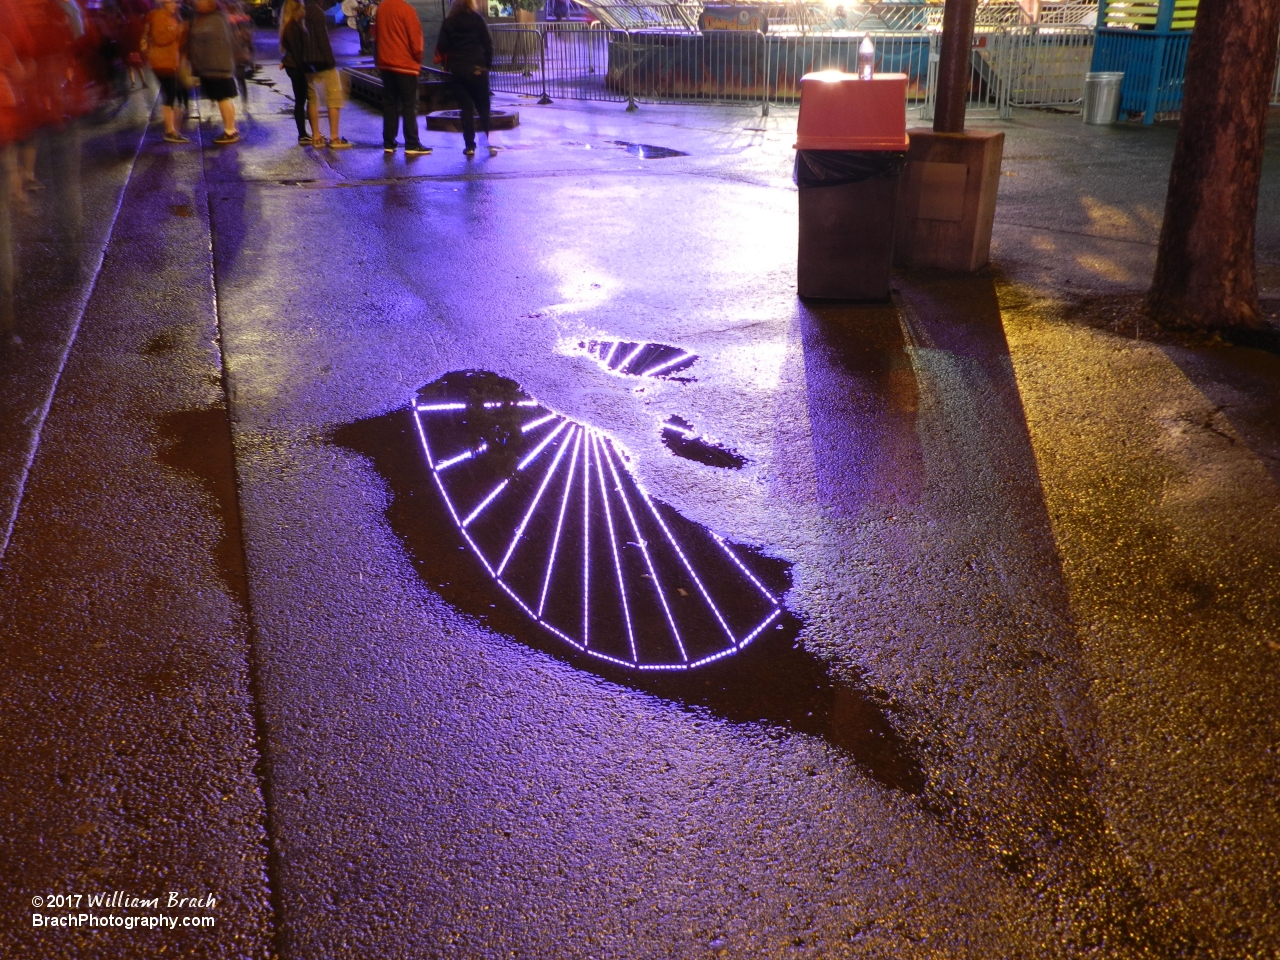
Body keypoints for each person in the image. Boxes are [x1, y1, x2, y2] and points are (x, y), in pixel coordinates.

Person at [434, 0, 495, 158]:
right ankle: (487, 143)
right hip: (477, 68)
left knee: (466, 109)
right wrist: (487, 64)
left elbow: (442, 45)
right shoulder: (478, 19)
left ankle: (469, 146)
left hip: (458, 69)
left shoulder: (449, 22)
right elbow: (488, 44)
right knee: (483, 107)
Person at [373, 0, 428, 155]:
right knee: (409, 105)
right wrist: (418, 58)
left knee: (390, 104)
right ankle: (412, 143)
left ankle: (389, 142)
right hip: (405, 65)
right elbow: (415, 39)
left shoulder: (382, 8)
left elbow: (376, 35)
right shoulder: (407, 10)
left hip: (386, 64)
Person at [187, 0, 239, 143]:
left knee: (223, 98)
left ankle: (230, 131)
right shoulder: (209, 18)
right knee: (223, 98)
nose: (196, 3)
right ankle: (231, 128)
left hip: (217, 66)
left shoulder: (215, 20)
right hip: (214, 66)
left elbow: (214, 44)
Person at [303, 0, 350, 148]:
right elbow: (322, 40)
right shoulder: (317, 12)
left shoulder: (299, 11)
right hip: (322, 62)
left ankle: (316, 136)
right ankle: (334, 138)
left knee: (312, 99)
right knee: (334, 97)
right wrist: (331, 61)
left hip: (306, 63)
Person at [143, 0, 189, 141]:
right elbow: (159, 38)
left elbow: (176, 41)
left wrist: (181, 33)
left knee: (171, 94)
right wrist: (177, 31)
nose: (175, 5)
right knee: (170, 94)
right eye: (172, 2)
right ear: (164, 3)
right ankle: (170, 131)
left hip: (169, 61)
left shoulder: (172, 16)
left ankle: (171, 130)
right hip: (162, 62)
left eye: (177, 2)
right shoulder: (159, 16)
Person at [277, 0, 312, 143]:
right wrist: (306, 69)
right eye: (302, 8)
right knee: (300, 100)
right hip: (297, 68)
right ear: (295, 10)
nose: (304, 11)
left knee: (301, 100)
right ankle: (302, 134)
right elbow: (297, 51)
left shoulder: (293, 25)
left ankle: (304, 133)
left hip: (294, 66)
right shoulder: (292, 27)